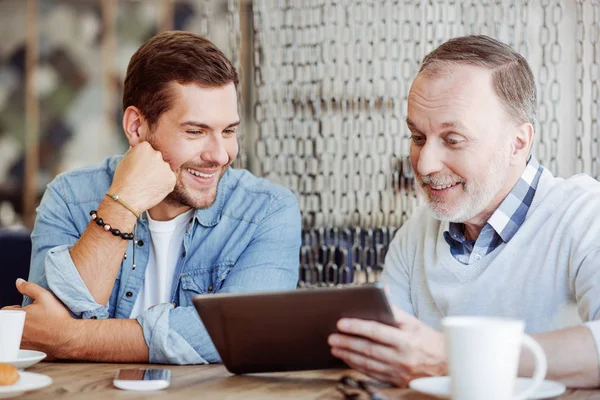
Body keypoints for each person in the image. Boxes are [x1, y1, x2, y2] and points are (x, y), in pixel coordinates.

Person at [4, 31, 301, 364]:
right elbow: (43, 329)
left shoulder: (267, 211)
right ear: (136, 127)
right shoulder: (70, 197)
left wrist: (72, 338)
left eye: (229, 131)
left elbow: (246, 331)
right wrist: (123, 202)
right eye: (196, 131)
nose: (220, 155)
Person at [329, 35, 600, 388]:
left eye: (453, 140)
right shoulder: (416, 234)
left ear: (517, 143)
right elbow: (387, 352)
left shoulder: (584, 213)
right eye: (417, 137)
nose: (425, 165)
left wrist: (453, 358)